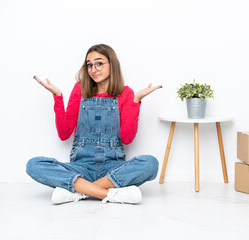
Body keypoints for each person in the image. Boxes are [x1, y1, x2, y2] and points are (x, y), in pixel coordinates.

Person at [26, 44, 161, 205]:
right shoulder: (79, 89)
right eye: (89, 65)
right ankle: (110, 194)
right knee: (33, 165)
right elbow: (64, 134)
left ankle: (78, 191)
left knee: (150, 163)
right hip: (81, 167)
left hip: (112, 168)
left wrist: (136, 101)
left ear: (112, 65)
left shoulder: (126, 93)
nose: (93, 69)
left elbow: (126, 138)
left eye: (99, 63)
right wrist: (57, 96)